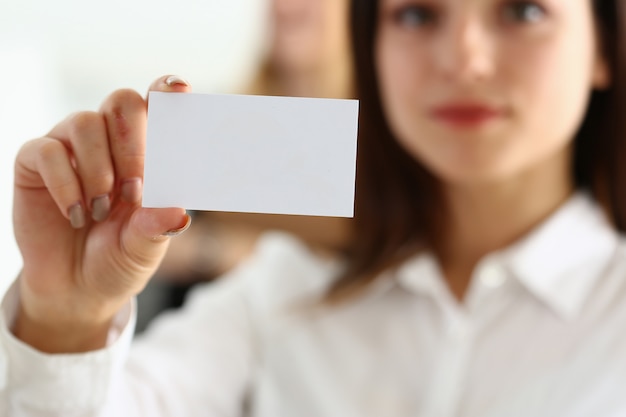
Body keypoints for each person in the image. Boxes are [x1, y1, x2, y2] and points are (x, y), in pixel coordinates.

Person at [1, 0, 625, 415]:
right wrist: (65, 319)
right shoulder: (281, 290)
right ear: (370, 51)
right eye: (414, 14)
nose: (464, 60)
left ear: (603, 45)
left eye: (523, 10)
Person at [139, 0, 354, 331]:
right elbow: (170, 247)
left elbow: (368, 264)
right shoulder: (217, 120)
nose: (286, 7)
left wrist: (218, 252)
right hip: (204, 334)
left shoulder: (382, 142)